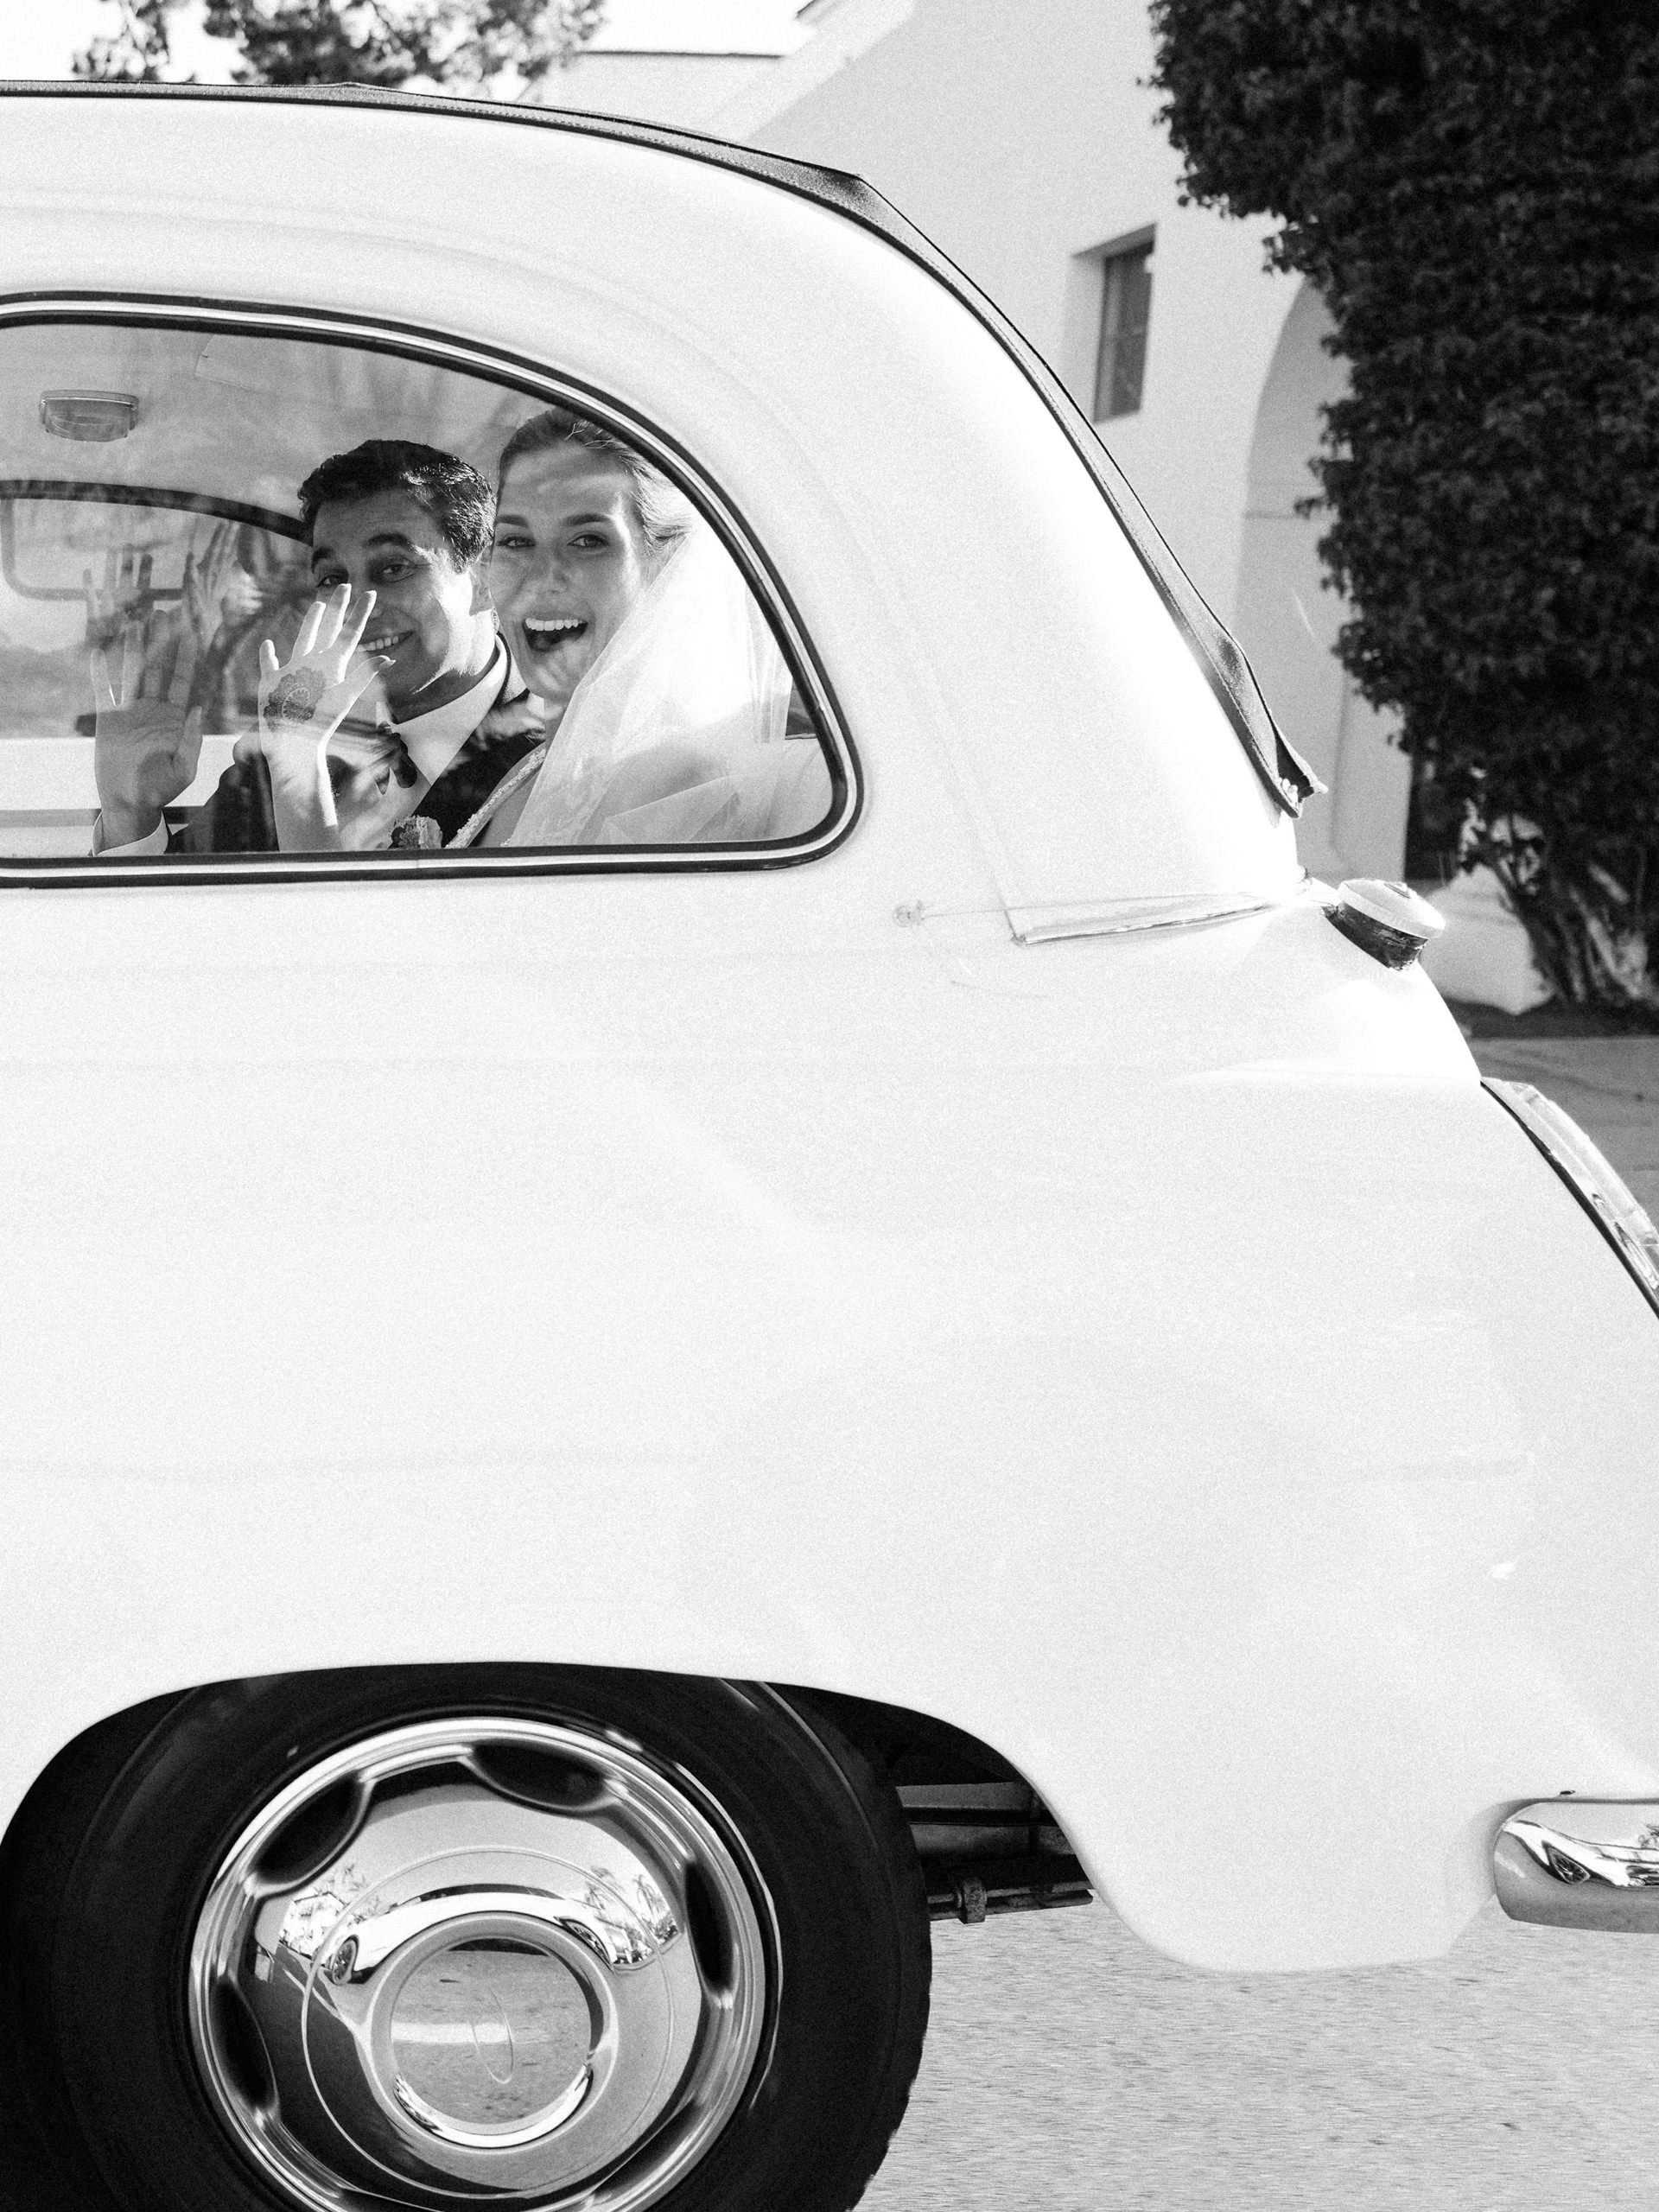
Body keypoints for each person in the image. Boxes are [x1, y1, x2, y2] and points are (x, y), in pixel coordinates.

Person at [90, 442, 540, 855]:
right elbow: (175, 923)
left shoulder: (558, 755)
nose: (358, 606)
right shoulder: (303, 732)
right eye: (333, 580)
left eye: (394, 568)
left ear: (485, 580)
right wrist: (129, 812)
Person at [436, 406, 830, 850]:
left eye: (588, 541)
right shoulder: (537, 766)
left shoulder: (681, 790)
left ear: (664, 566)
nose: (541, 579)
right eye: (516, 541)